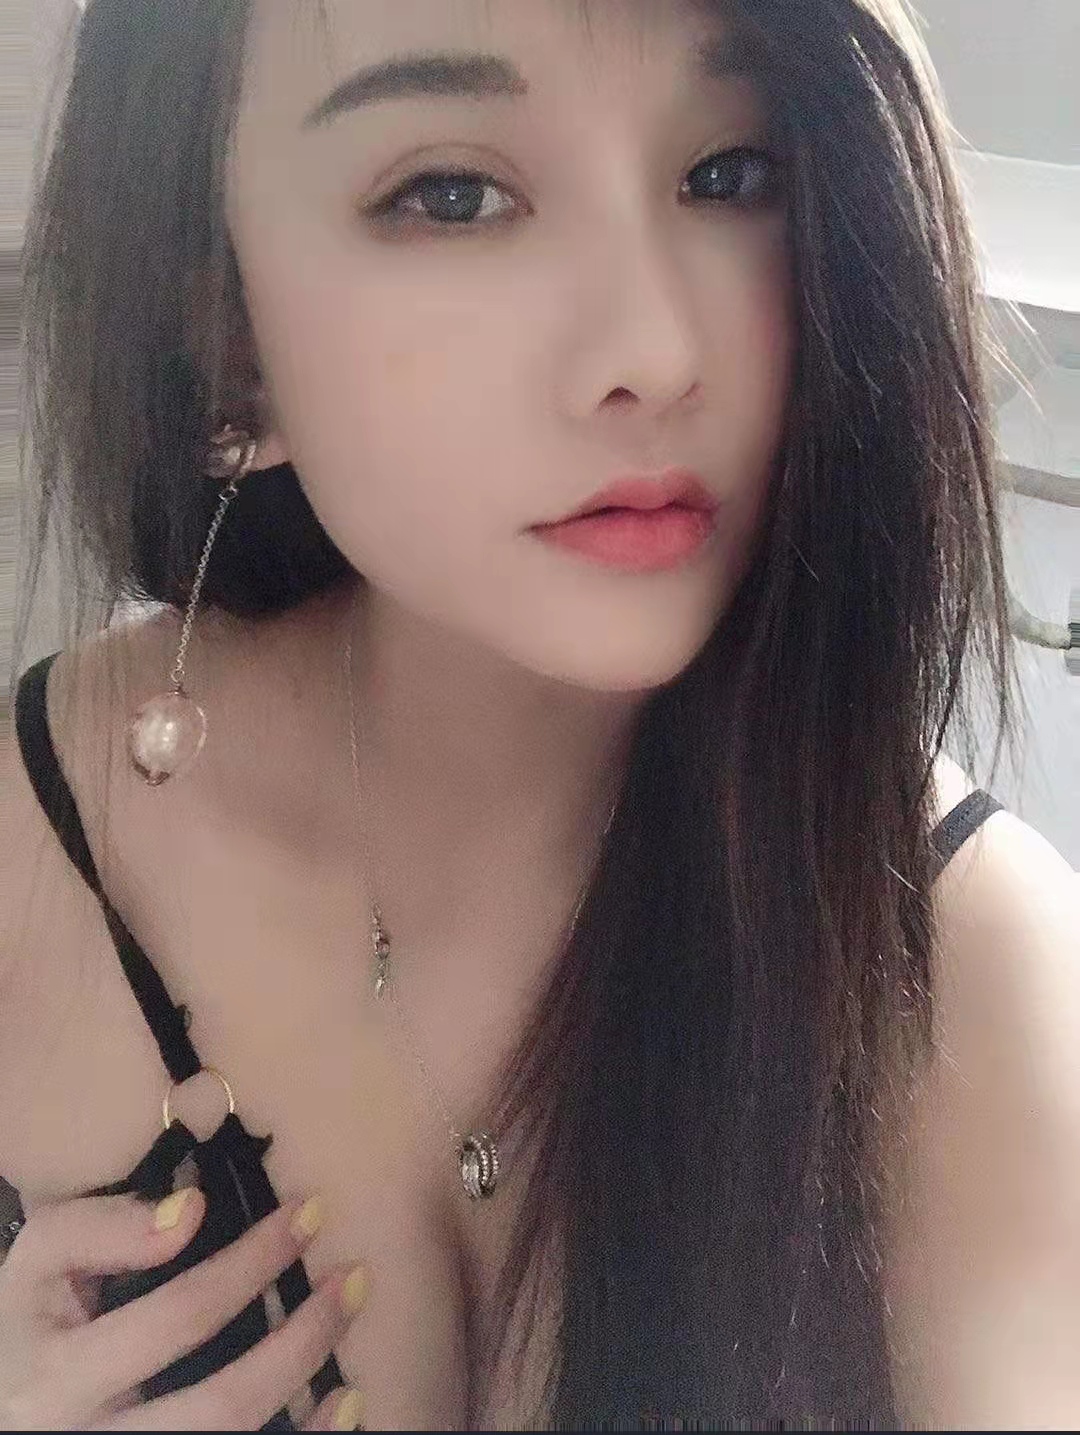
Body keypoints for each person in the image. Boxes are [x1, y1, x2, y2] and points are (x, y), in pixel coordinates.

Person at [1, 0, 1077, 1429]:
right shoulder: (37, 847)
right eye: (452, 195)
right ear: (224, 333)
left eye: (731, 174)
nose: (657, 350)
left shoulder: (967, 973)